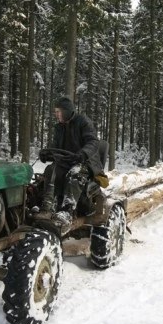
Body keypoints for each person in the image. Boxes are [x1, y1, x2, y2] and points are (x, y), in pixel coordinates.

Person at [36, 97, 105, 233]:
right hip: (66, 162)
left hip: (86, 162)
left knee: (75, 173)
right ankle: (51, 205)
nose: (56, 114)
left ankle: (67, 210)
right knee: (51, 170)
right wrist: (47, 154)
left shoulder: (83, 122)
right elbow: (55, 147)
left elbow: (93, 142)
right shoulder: (59, 128)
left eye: (58, 111)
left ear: (67, 111)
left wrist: (82, 154)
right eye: (55, 112)